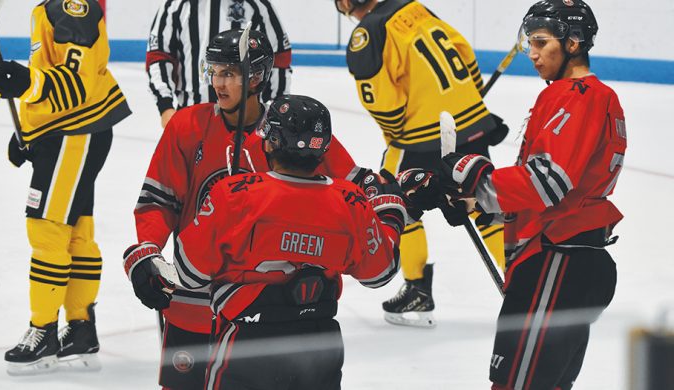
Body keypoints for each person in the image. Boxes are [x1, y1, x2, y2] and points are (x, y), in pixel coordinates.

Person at [124, 30, 366, 389]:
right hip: (193, 299)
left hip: (269, 307)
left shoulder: (289, 129)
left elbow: (353, 188)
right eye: (214, 71)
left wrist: (389, 193)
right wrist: (148, 251)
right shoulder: (187, 125)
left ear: (256, 76)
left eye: (230, 73)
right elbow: (159, 202)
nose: (218, 83)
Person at [126, 94, 415, 389]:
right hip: (320, 344)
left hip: (249, 345)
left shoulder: (234, 195)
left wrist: (143, 257)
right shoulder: (351, 201)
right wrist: (391, 213)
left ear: (270, 143)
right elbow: (380, 272)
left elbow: (188, 271)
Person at [433, 1, 624, 388]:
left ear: (573, 43)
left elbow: (548, 182)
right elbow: (552, 189)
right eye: (529, 43)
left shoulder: (578, 95)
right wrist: (478, 201)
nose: (532, 53)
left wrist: (472, 175)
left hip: (557, 260)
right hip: (565, 258)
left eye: (541, 42)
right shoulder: (580, 96)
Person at [333, 0, 510, 327]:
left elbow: (384, 103)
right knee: (481, 202)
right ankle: (520, 284)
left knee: (395, 197)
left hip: (422, 132)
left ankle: (417, 289)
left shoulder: (368, 32)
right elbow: (464, 52)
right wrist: (465, 100)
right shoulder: (415, 8)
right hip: (470, 119)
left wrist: (397, 133)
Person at [0, 0, 131, 374]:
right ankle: (80, 330)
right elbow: (58, 80)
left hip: (75, 132)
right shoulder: (53, 6)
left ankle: (43, 332)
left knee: (47, 228)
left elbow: (77, 84)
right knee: (75, 231)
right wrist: (31, 132)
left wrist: (27, 84)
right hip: (73, 132)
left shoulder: (71, 7)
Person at [147, 0, 292, 127]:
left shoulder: (258, 6)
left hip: (246, 124)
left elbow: (278, 59)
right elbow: (158, 57)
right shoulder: (175, 6)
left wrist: (274, 110)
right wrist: (165, 107)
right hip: (190, 119)